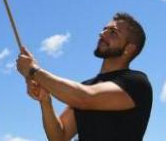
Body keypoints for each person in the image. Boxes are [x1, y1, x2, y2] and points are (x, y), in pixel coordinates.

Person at [16, 12, 152, 141]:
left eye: (113, 32)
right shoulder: (86, 86)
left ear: (129, 48)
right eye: (104, 29)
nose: (102, 34)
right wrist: (45, 101)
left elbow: (85, 98)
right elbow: (59, 137)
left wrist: (34, 71)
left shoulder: (136, 82)